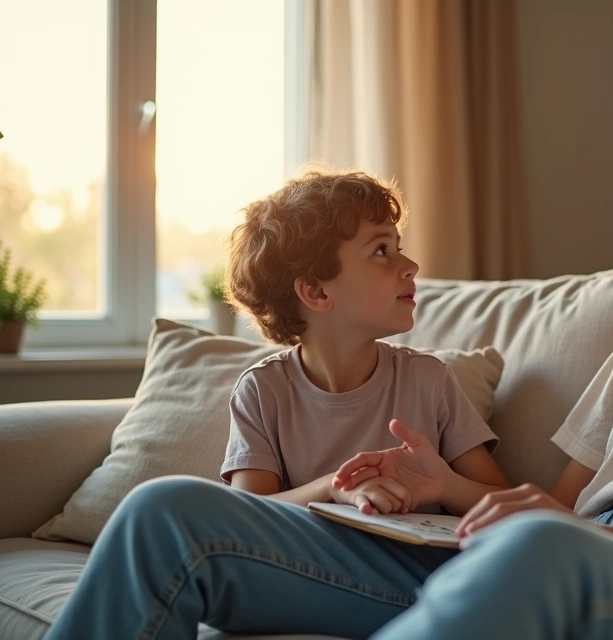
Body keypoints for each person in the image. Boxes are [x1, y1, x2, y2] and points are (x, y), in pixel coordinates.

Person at [46, 23, 613, 640]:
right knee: (167, 513)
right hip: (550, 557)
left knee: (537, 547)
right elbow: (557, 509)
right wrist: (449, 489)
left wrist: (582, 537)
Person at [217, 170, 509, 517]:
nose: (412, 266)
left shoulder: (429, 381)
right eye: (381, 250)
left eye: (398, 247)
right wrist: (333, 488)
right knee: (168, 496)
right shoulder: (263, 391)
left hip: (411, 552)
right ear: (317, 291)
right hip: (310, 553)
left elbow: (506, 504)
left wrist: (445, 484)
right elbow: (247, 515)